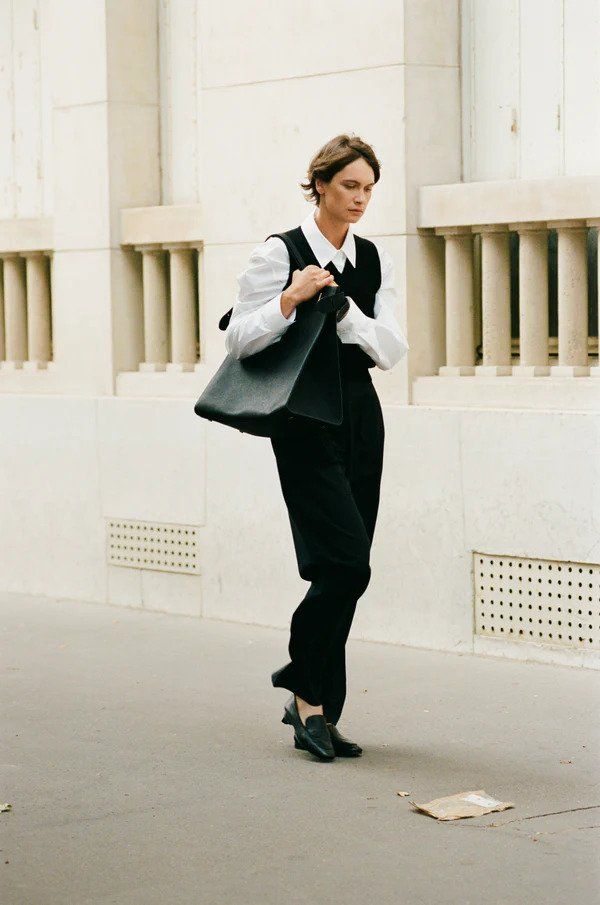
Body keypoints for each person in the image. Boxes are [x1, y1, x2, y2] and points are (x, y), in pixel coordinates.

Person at [224, 134, 409, 761]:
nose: (360, 199)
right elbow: (239, 339)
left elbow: (390, 349)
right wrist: (291, 297)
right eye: (349, 186)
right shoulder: (281, 251)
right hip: (304, 419)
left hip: (360, 416)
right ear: (321, 185)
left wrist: (348, 314)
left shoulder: (373, 258)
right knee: (348, 564)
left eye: (368, 188)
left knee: (343, 571)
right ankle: (305, 692)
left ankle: (320, 709)